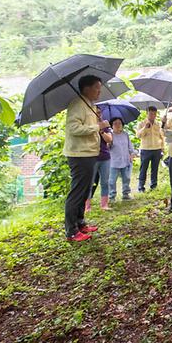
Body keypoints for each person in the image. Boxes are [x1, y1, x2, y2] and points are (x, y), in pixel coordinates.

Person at [63, 75, 110, 242]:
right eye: (97, 87)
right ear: (86, 88)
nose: (99, 91)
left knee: (85, 190)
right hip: (79, 154)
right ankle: (71, 231)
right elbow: (74, 128)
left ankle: (80, 223)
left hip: (89, 153)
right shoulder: (77, 104)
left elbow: (89, 128)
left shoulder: (89, 105)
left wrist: (98, 124)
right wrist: (98, 126)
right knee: (77, 191)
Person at [86, 106, 113, 212]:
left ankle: (104, 204)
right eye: (96, 112)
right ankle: (87, 206)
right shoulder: (89, 125)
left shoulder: (105, 124)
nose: (98, 114)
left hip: (105, 157)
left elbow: (109, 139)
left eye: (99, 112)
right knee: (89, 182)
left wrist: (101, 131)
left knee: (105, 182)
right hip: (92, 157)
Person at [108, 117, 138, 201]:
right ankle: (112, 196)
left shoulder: (125, 134)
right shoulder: (110, 136)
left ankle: (126, 194)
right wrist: (108, 143)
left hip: (125, 161)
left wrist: (132, 153)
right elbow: (107, 148)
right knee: (112, 181)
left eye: (119, 123)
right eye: (115, 123)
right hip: (114, 161)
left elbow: (130, 147)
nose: (118, 125)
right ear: (112, 126)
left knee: (126, 178)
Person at [136, 105, 164, 193]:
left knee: (154, 169)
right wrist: (145, 127)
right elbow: (138, 135)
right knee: (143, 168)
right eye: (151, 114)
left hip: (157, 149)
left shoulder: (158, 124)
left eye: (154, 114)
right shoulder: (141, 123)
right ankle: (141, 187)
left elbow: (162, 136)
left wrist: (162, 148)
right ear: (147, 113)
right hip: (145, 149)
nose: (153, 116)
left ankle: (154, 186)